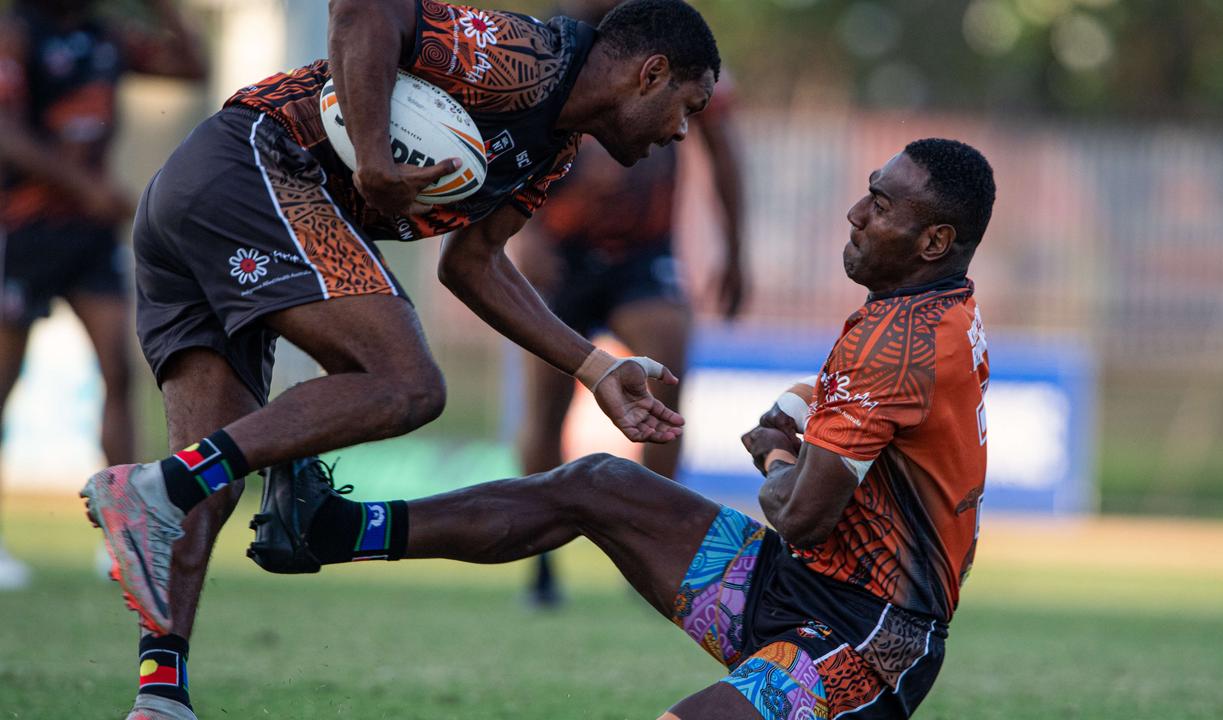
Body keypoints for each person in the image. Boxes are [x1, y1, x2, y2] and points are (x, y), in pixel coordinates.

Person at [79, 1, 720, 717]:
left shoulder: (555, 146)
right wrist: (376, 155)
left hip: (202, 194)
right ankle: (161, 484)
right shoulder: (526, 59)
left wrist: (594, 366)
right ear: (650, 73)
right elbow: (363, 8)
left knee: (213, 477)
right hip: (256, 162)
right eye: (686, 107)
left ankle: (159, 693)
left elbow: (472, 265)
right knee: (406, 383)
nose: (681, 133)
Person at [254, 139, 996, 719]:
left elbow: (801, 516)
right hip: (795, 586)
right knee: (596, 482)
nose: (856, 213)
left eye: (880, 203)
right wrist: (809, 404)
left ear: (933, 242)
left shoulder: (901, 343)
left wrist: (776, 454)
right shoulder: (934, 312)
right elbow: (901, 413)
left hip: (864, 640)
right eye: (867, 192)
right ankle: (331, 531)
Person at [514, 0, 745, 607]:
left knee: (668, 364)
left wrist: (737, 250)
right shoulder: (544, 43)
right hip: (561, 250)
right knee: (545, 403)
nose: (678, 128)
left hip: (644, 254)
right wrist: (522, 232)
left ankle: (654, 550)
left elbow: (721, 149)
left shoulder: (674, 39)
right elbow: (505, 137)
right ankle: (540, 564)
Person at [0, 0, 205, 590]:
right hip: (24, 230)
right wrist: (87, 186)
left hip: (88, 237)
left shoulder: (105, 35)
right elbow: (8, 135)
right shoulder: (17, 34)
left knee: (118, 369)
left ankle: (125, 534)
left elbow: (190, 67)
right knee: (6, 378)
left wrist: (166, 9)